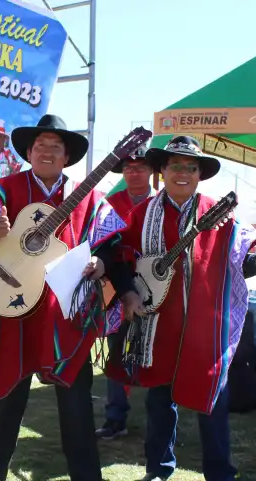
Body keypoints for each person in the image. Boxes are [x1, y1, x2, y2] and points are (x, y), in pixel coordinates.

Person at [0, 114, 128, 481]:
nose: (47, 151)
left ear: (67, 157)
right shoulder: (1, 190)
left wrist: (102, 265)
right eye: (40, 146)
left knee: (75, 399)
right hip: (10, 309)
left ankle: (87, 479)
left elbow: (113, 249)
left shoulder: (92, 200)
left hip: (65, 315)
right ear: (29, 152)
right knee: (5, 396)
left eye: (56, 146)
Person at [105, 136, 256, 481]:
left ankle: (220, 475)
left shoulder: (219, 213)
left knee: (212, 400)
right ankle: (158, 467)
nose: (182, 173)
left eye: (190, 167)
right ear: (163, 171)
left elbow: (244, 253)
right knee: (159, 400)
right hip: (157, 325)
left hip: (205, 325)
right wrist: (129, 293)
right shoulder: (142, 215)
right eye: (175, 166)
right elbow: (119, 256)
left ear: (200, 174)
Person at [95, 146, 156, 440]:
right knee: (118, 351)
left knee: (161, 353)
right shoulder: (109, 203)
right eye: (129, 167)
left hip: (159, 284)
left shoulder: (163, 202)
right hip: (119, 285)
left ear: (151, 171)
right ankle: (115, 418)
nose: (134, 172)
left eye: (141, 167)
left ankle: (162, 424)